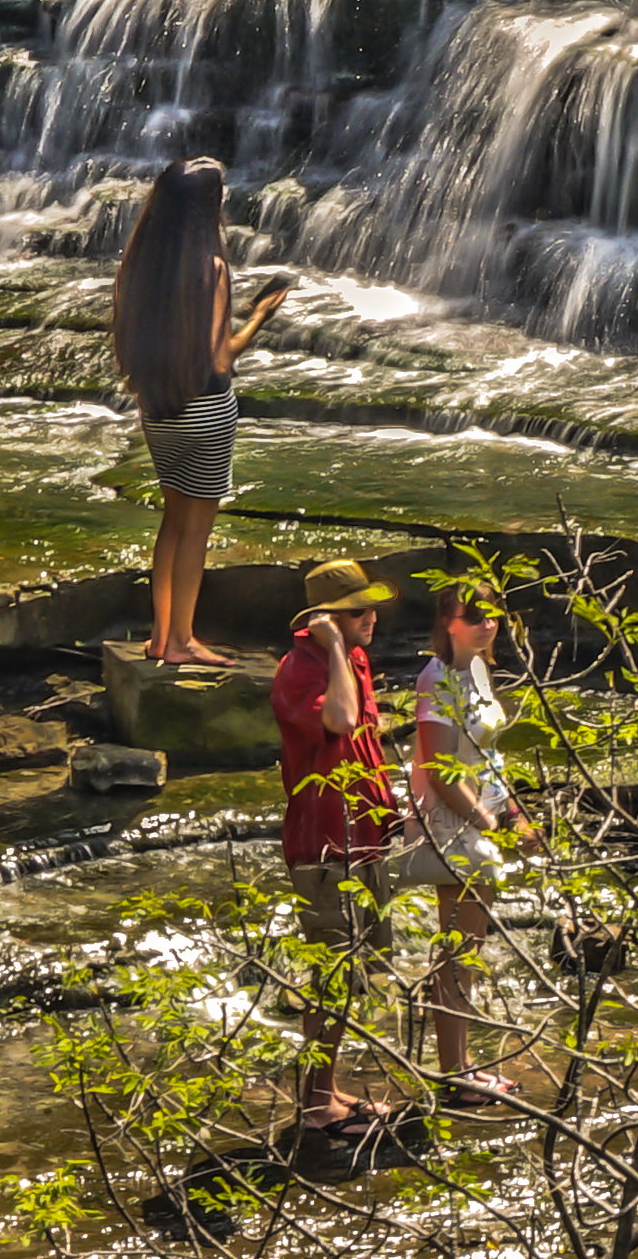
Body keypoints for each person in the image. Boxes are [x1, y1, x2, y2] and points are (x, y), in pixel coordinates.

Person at [117, 155, 289, 665]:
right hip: (207, 411)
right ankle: (181, 641)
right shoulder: (210, 268)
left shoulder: (140, 264)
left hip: (159, 411)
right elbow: (220, 357)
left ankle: (159, 636)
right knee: (196, 531)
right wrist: (260, 316)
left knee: (172, 524)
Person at [271, 559, 411, 1128]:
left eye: (372, 607)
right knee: (330, 974)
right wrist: (332, 649)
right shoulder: (300, 669)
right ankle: (314, 1106)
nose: (371, 617)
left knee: (355, 972)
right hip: (324, 844)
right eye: (357, 611)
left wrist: (390, 812)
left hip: (363, 837)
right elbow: (341, 719)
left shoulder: (355, 660)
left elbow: (366, 742)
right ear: (326, 619)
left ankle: (325, 1089)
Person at [387, 575, 506, 1108]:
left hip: (480, 817)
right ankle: (456, 1073)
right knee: (458, 953)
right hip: (451, 826)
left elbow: (488, 755)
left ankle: (460, 1066)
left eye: (493, 614)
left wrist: (513, 814)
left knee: (467, 950)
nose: (487, 624)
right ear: (447, 624)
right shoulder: (436, 678)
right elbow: (437, 767)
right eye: (474, 617)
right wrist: (484, 818)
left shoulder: (477, 669)